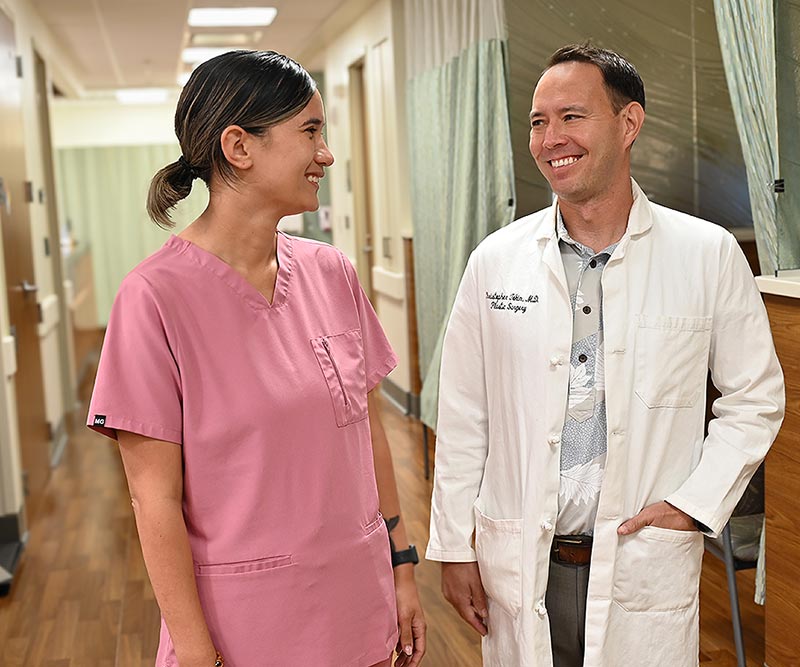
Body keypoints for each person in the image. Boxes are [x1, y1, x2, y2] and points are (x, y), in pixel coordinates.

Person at [426, 43, 784, 667]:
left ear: (629, 124)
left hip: (640, 560)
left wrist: (694, 504)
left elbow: (755, 398)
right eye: (538, 121)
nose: (549, 138)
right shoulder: (496, 261)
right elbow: (464, 413)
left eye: (571, 116)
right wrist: (455, 544)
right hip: (523, 559)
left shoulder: (706, 253)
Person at [87, 50, 425, 667]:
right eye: (310, 131)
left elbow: (367, 430)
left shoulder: (332, 273)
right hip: (246, 628)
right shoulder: (155, 297)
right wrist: (194, 650)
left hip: (359, 601)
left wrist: (401, 563)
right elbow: (153, 500)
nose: (326, 153)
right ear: (239, 146)